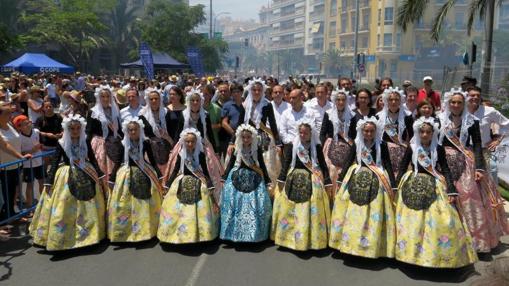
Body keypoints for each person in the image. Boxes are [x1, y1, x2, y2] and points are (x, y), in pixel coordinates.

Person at [395, 117, 477, 268]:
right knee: (412, 221)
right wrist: (394, 186)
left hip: (434, 183)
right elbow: (402, 167)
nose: (425, 135)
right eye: (422, 132)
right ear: (417, 132)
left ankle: (437, 254)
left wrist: (451, 189)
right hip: (413, 184)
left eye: (428, 132)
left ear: (433, 133)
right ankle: (410, 254)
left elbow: (445, 168)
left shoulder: (438, 148)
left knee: (442, 220)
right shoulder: (412, 147)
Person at [440, 88, 508, 254]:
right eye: (453, 102)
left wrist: (479, 167)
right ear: (449, 103)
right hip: (443, 163)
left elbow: (477, 145)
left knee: (469, 195)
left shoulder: (472, 121)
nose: (456, 105)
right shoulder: (440, 120)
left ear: (464, 104)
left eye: (459, 102)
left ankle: (475, 242)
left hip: (466, 161)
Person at [29, 114, 107, 250]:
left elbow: (93, 159)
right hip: (66, 175)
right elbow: (54, 162)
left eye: (78, 128)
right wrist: (49, 180)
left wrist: (99, 174)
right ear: (67, 129)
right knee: (64, 206)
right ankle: (65, 236)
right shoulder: (62, 143)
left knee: (88, 205)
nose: (75, 131)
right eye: (72, 129)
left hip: (86, 173)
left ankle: (90, 234)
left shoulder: (85, 141)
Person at [329, 117, 396, 259]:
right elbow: (347, 162)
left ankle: (371, 245)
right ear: (362, 131)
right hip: (357, 177)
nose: (369, 133)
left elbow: (388, 164)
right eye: (366, 131)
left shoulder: (381, 145)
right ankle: (350, 242)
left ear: (375, 131)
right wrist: (341, 180)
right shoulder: (357, 144)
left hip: (377, 179)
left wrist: (393, 185)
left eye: (372, 131)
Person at [271, 118, 332, 251]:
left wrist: (327, 181)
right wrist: (281, 178)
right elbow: (287, 162)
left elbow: (322, 164)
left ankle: (311, 238)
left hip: (312, 178)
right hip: (293, 177)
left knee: (311, 208)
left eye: (305, 133)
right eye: (301, 133)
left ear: (311, 133)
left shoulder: (316, 147)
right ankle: (288, 237)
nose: (303, 135)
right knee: (290, 208)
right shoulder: (293, 145)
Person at [157, 128, 219, 244]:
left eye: (192, 142)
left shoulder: (200, 154)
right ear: (183, 142)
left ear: (197, 142)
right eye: (187, 142)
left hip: (198, 181)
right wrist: (168, 185)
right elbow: (175, 170)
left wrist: (210, 185)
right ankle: (176, 234)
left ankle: (201, 234)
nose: (190, 144)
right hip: (181, 180)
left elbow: (205, 171)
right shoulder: (181, 154)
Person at [107, 118, 163, 243]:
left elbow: (152, 160)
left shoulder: (146, 142)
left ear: (140, 130)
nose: (132, 132)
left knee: (144, 203)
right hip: (126, 173)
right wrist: (112, 178)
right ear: (127, 131)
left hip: (144, 171)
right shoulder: (123, 143)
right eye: (130, 130)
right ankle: (126, 231)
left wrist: (159, 174)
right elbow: (118, 161)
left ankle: (146, 230)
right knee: (125, 203)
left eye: (135, 129)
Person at [166, 90, 223, 201]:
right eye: (192, 100)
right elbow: (178, 132)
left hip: (202, 145)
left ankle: (210, 196)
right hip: (185, 144)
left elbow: (210, 133)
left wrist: (215, 151)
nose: (195, 102)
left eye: (197, 100)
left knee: (209, 167)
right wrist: (173, 149)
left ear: (201, 101)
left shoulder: (205, 115)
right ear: (188, 101)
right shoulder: (183, 114)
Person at [220, 124, 272, 242]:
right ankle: (234, 232)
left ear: (252, 138)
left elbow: (262, 165)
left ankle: (254, 233)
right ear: (240, 137)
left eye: (248, 137)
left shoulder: (256, 149)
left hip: (253, 176)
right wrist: (224, 177)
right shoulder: (236, 149)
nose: (246, 140)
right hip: (237, 175)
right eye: (243, 137)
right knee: (234, 202)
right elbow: (230, 164)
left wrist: (268, 181)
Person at [467, 86, 509, 185]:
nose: (476, 97)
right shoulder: (461, 111)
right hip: (465, 149)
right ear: (466, 96)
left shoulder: (490, 111)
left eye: (478, 95)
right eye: (472, 95)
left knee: (491, 170)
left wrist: (498, 139)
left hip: (483, 149)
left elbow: (506, 124)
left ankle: (493, 198)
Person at [242, 78, 281, 185]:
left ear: (263, 91)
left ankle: (266, 187)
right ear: (250, 91)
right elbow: (240, 124)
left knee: (265, 163)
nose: (257, 92)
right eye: (254, 90)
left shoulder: (267, 104)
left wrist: (278, 143)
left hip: (263, 137)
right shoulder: (245, 105)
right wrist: (232, 142)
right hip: (246, 137)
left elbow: (272, 124)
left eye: (259, 90)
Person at [320, 89, 357, 193]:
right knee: (330, 171)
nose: (341, 102)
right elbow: (323, 133)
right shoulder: (328, 114)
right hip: (330, 146)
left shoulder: (352, 116)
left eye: (343, 100)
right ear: (334, 101)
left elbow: (354, 136)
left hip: (347, 147)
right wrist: (320, 148)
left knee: (344, 172)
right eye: (338, 100)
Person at [87, 88, 123, 184]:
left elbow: (119, 129)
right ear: (98, 98)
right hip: (99, 144)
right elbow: (89, 131)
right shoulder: (93, 112)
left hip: (114, 143)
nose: (105, 99)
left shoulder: (115, 110)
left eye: (108, 96)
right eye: (103, 96)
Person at [377, 87, 414, 177]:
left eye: (396, 99)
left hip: (402, 153)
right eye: (391, 99)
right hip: (384, 153)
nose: (393, 102)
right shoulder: (379, 116)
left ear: (400, 101)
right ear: (386, 101)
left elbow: (413, 137)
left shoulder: (407, 116)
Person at [138, 90, 173, 174]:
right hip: (150, 150)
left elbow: (173, 132)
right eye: (151, 99)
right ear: (148, 100)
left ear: (160, 99)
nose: (154, 101)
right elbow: (141, 134)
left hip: (167, 147)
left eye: (156, 98)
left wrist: (167, 137)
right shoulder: (142, 114)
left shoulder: (167, 112)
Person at [14, 115, 44, 210]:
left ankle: (45, 203)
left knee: (42, 182)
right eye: (25, 124)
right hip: (28, 165)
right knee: (30, 185)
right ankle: (30, 206)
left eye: (29, 122)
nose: (29, 124)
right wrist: (32, 150)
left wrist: (40, 147)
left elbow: (41, 143)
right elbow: (20, 153)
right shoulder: (19, 138)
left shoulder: (36, 132)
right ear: (20, 127)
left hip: (39, 161)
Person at [0, 102, 22, 221]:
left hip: (15, 165)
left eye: (11, 113)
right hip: (4, 167)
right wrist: (20, 156)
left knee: (12, 192)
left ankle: (11, 215)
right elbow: (5, 145)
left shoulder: (9, 125)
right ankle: (4, 220)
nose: (10, 115)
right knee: (4, 195)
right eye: (7, 113)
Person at [221, 84, 245, 157]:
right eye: (234, 92)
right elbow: (224, 122)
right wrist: (234, 133)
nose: (236, 94)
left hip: (245, 137)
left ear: (242, 92)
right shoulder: (227, 105)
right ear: (231, 93)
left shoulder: (247, 104)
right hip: (230, 137)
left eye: (238, 91)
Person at [203, 85, 222, 151]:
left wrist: (211, 126)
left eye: (206, 94)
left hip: (214, 143)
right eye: (202, 94)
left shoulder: (217, 109)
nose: (203, 96)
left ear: (211, 95)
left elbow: (221, 124)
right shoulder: (194, 108)